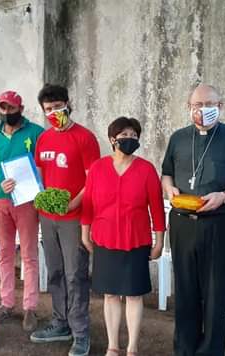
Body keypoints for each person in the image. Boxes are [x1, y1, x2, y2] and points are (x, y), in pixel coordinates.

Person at [161, 84, 225, 356]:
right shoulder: (178, 138)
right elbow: (166, 172)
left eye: (208, 104)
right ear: (188, 107)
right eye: (197, 105)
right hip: (181, 222)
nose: (202, 110)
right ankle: (185, 349)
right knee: (186, 288)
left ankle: (211, 351)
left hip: (220, 223)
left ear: (220, 106)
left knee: (215, 291)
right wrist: (169, 189)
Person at [81, 117, 166, 356]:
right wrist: (85, 233)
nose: (129, 140)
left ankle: (132, 348)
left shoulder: (146, 169)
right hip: (105, 239)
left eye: (134, 136)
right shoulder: (98, 168)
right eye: (124, 135)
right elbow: (88, 204)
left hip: (136, 240)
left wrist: (160, 240)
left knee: (133, 295)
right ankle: (112, 346)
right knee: (110, 294)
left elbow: (156, 208)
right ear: (112, 139)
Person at [30, 84, 100, 356]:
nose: (54, 112)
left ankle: (81, 332)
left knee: (76, 275)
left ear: (68, 104)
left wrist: (73, 203)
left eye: (58, 107)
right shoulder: (44, 139)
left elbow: (92, 179)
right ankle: (60, 322)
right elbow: (38, 175)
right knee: (56, 272)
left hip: (74, 218)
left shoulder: (84, 137)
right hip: (48, 218)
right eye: (48, 109)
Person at [0, 90, 44, 331]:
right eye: (2, 108)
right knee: (5, 253)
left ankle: (30, 307)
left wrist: (34, 183)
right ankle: (7, 303)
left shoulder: (36, 133)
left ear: (20, 109)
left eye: (10, 108)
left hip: (27, 202)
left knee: (29, 254)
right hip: (2, 201)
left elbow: (42, 166)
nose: (6, 112)